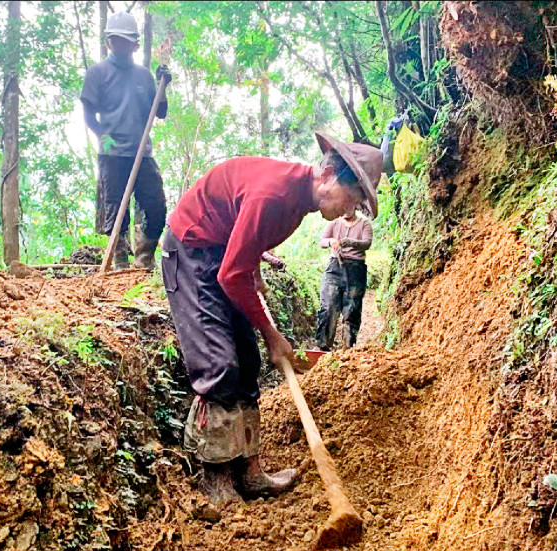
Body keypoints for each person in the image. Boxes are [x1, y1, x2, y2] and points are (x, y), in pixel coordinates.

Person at [162, 132, 382, 505]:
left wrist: (256, 272)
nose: (354, 209)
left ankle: (250, 474)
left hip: (221, 253)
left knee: (247, 362)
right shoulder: (277, 195)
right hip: (191, 252)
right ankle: (216, 481)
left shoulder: (299, 202)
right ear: (328, 174)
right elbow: (231, 273)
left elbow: (247, 239)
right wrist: (270, 333)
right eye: (354, 195)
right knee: (219, 365)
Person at [80, 11, 172, 270]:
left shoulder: (143, 76)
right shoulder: (97, 73)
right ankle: (119, 260)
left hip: (142, 153)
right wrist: (103, 136)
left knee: (155, 205)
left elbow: (160, 111)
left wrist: (162, 87)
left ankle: (144, 259)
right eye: (115, 40)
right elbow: (88, 113)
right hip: (112, 154)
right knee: (115, 209)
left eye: (125, 41)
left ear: (135, 45)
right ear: (108, 42)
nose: (120, 45)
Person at [316, 207, 373, 350]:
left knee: (352, 309)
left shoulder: (364, 223)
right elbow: (322, 241)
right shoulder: (334, 222)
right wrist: (331, 242)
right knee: (328, 307)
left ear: (355, 206)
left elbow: (367, 243)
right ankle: (323, 347)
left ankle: (348, 349)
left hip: (356, 268)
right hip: (334, 267)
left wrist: (350, 242)